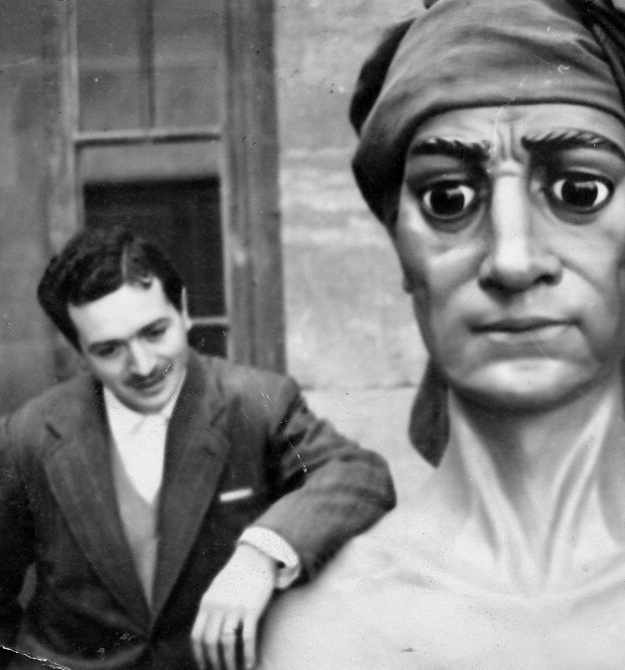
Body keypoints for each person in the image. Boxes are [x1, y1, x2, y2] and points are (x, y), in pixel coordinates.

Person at [259, 1, 625, 668]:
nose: (511, 260)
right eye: (448, 199)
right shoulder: (313, 628)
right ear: (401, 247)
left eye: (579, 192)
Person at [0, 226, 396, 670]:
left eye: (155, 332)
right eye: (110, 350)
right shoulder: (28, 436)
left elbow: (356, 473)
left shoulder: (258, 403)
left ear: (184, 310)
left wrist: (260, 554)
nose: (143, 365)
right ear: (81, 353)